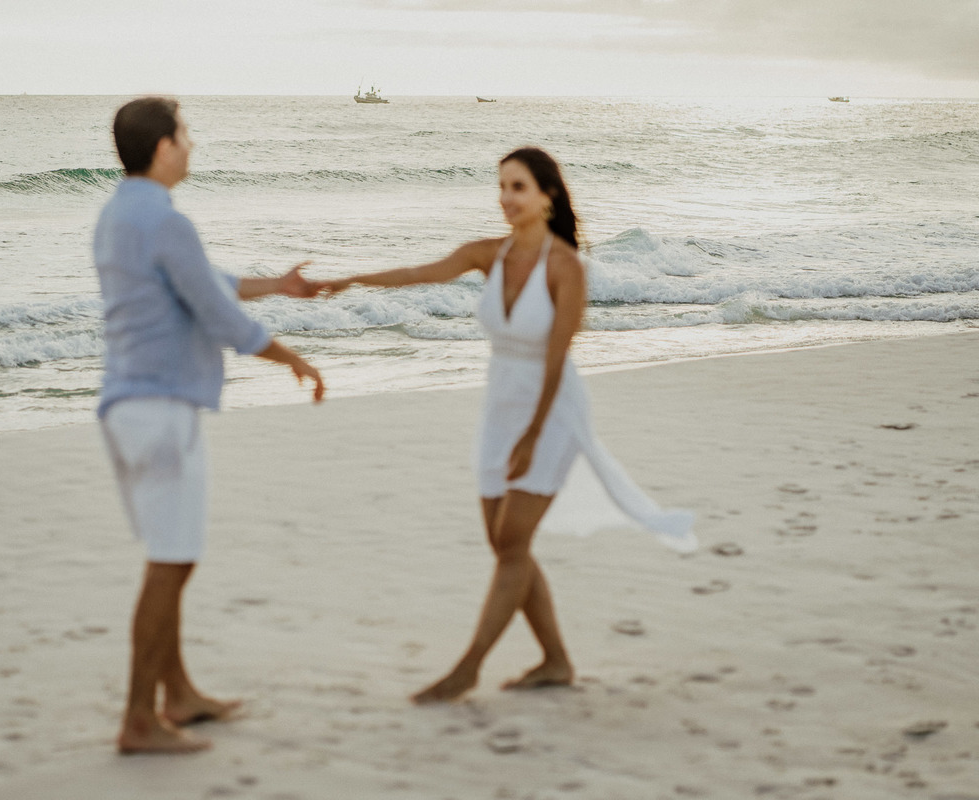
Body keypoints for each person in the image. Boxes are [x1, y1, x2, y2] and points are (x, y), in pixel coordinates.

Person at [324, 147, 696, 704]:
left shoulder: (565, 266)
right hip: (499, 408)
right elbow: (419, 273)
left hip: (552, 410)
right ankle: (556, 661)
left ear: (547, 196)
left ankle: (469, 666)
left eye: (518, 187)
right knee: (506, 546)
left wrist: (532, 435)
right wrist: (351, 279)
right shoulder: (486, 254)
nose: (506, 198)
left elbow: (556, 357)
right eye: (501, 187)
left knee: (513, 540)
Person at [93, 96, 325, 753]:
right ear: (164, 147)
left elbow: (208, 282)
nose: (192, 145)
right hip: (163, 410)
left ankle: (179, 695)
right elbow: (220, 317)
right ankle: (140, 718)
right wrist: (291, 358)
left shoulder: (116, 216)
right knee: (171, 562)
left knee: (168, 555)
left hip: (126, 408)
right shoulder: (167, 222)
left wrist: (278, 286)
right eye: (186, 135)